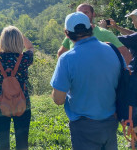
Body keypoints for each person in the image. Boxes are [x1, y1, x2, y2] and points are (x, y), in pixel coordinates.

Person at [51, 12, 121, 150]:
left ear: (67, 33)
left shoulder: (66, 59)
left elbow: (58, 99)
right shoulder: (112, 50)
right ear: (91, 28)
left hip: (83, 126)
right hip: (111, 120)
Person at [0, 26, 34, 150]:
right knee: (22, 143)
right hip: (22, 103)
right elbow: (30, 47)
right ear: (19, 41)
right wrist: (20, 35)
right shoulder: (24, 59)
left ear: (2, 41)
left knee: (2, 143)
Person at [57, 3, 132, 65]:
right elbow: (61, 53)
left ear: (93, 14)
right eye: (79, 13)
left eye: (86, 12)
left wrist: (123, 75)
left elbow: (126, 54)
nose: (83, 15)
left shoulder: (104, 33)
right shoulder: (71, 35)